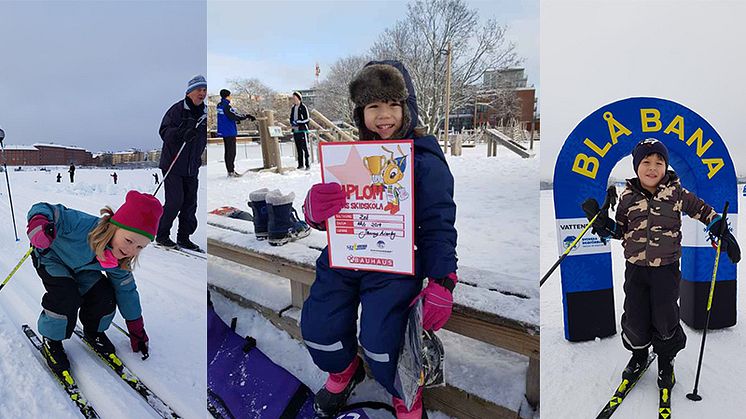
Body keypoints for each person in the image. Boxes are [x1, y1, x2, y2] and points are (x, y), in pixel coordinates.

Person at [300, 61, 458, 419]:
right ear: (361, 112)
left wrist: (442, 281)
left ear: (407, 107)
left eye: (393, 104)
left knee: (382, 338)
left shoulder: (424, 159)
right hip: (345, 256)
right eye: (373, 106)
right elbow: (342, 212)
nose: (384, 115)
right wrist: (314, 211)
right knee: (318, 324)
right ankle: (343, 371)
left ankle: (406, 391)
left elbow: (438, 223)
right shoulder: (350, 157)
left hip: (394, 260)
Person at [582, 138, 741, 394]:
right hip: (635, 268)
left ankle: (666, 360)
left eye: (659, 162)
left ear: (666, 167)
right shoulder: (627, 197)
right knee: (635, 316)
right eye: (646, 162)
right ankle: (639, 355)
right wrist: (603, 225)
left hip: (666, 269)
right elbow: (622, 230)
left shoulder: (677, 193)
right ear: (636, 167)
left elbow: (703, 210)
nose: (652, 167)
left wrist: (722, 230)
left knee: (665, 316)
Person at [26, 190, 161, 375]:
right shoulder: (83, 225)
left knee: (104, 294)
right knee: (66, 296)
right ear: (115, 227)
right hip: (52, 257)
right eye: (129, 240)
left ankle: (94, 331)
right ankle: (51, 340)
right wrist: (39, 223)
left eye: (139, 247)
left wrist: (136, 327)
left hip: (81, 269)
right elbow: (46, 209)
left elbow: (126, 290)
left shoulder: (119, 259)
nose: (131, 250)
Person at [156, 75, 207, 251]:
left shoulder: (205, 113)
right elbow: (164, 131)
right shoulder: (177, 110)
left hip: (192, 166)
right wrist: (181, 133)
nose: (202, 93)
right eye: (199, 89)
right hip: (173, 164)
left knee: (190, 203)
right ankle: (162, 235)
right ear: (189, 92)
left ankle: (184, 237)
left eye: (205, 90)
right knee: (175, 201)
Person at [217, 89, 255, 177]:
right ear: (227, 96)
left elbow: (226, 117)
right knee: (231, 152)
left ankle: (229, 170)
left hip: (224, 131)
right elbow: (234, 115)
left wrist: (235, 120)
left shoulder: (219, 105)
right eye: (230, 95)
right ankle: (231, 171)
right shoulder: (227, 106)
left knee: (227, 151)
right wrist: (247, 116)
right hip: (229, 131)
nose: (231, 97)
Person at [290, 91, 310, 170]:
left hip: (302, 130)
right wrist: (292, 122)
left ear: (299, 98)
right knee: (298, 148)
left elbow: (307, 119)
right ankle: (300, 164)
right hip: (295, 130)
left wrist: (298, 122)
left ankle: (307, 164)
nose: (294, 100)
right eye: (293, 98)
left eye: (295, 98)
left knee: (304, 147)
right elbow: (291, 117)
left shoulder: (303, 107)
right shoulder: (293, 108)